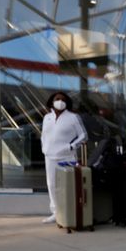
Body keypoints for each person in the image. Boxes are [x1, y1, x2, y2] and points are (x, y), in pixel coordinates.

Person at [40, 92, 87, 224]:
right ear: (52, 101)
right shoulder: (47, 117)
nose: (60, 101)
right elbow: (44, 135)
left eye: (63, 99)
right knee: (51, 184)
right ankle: (55, 212)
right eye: (57, 99)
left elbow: (83, 136)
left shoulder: (73, 117)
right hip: (49, 156)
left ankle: (69, 212)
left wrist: (71, 147)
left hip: (67, 156)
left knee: (68, 184)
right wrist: (44, 148)